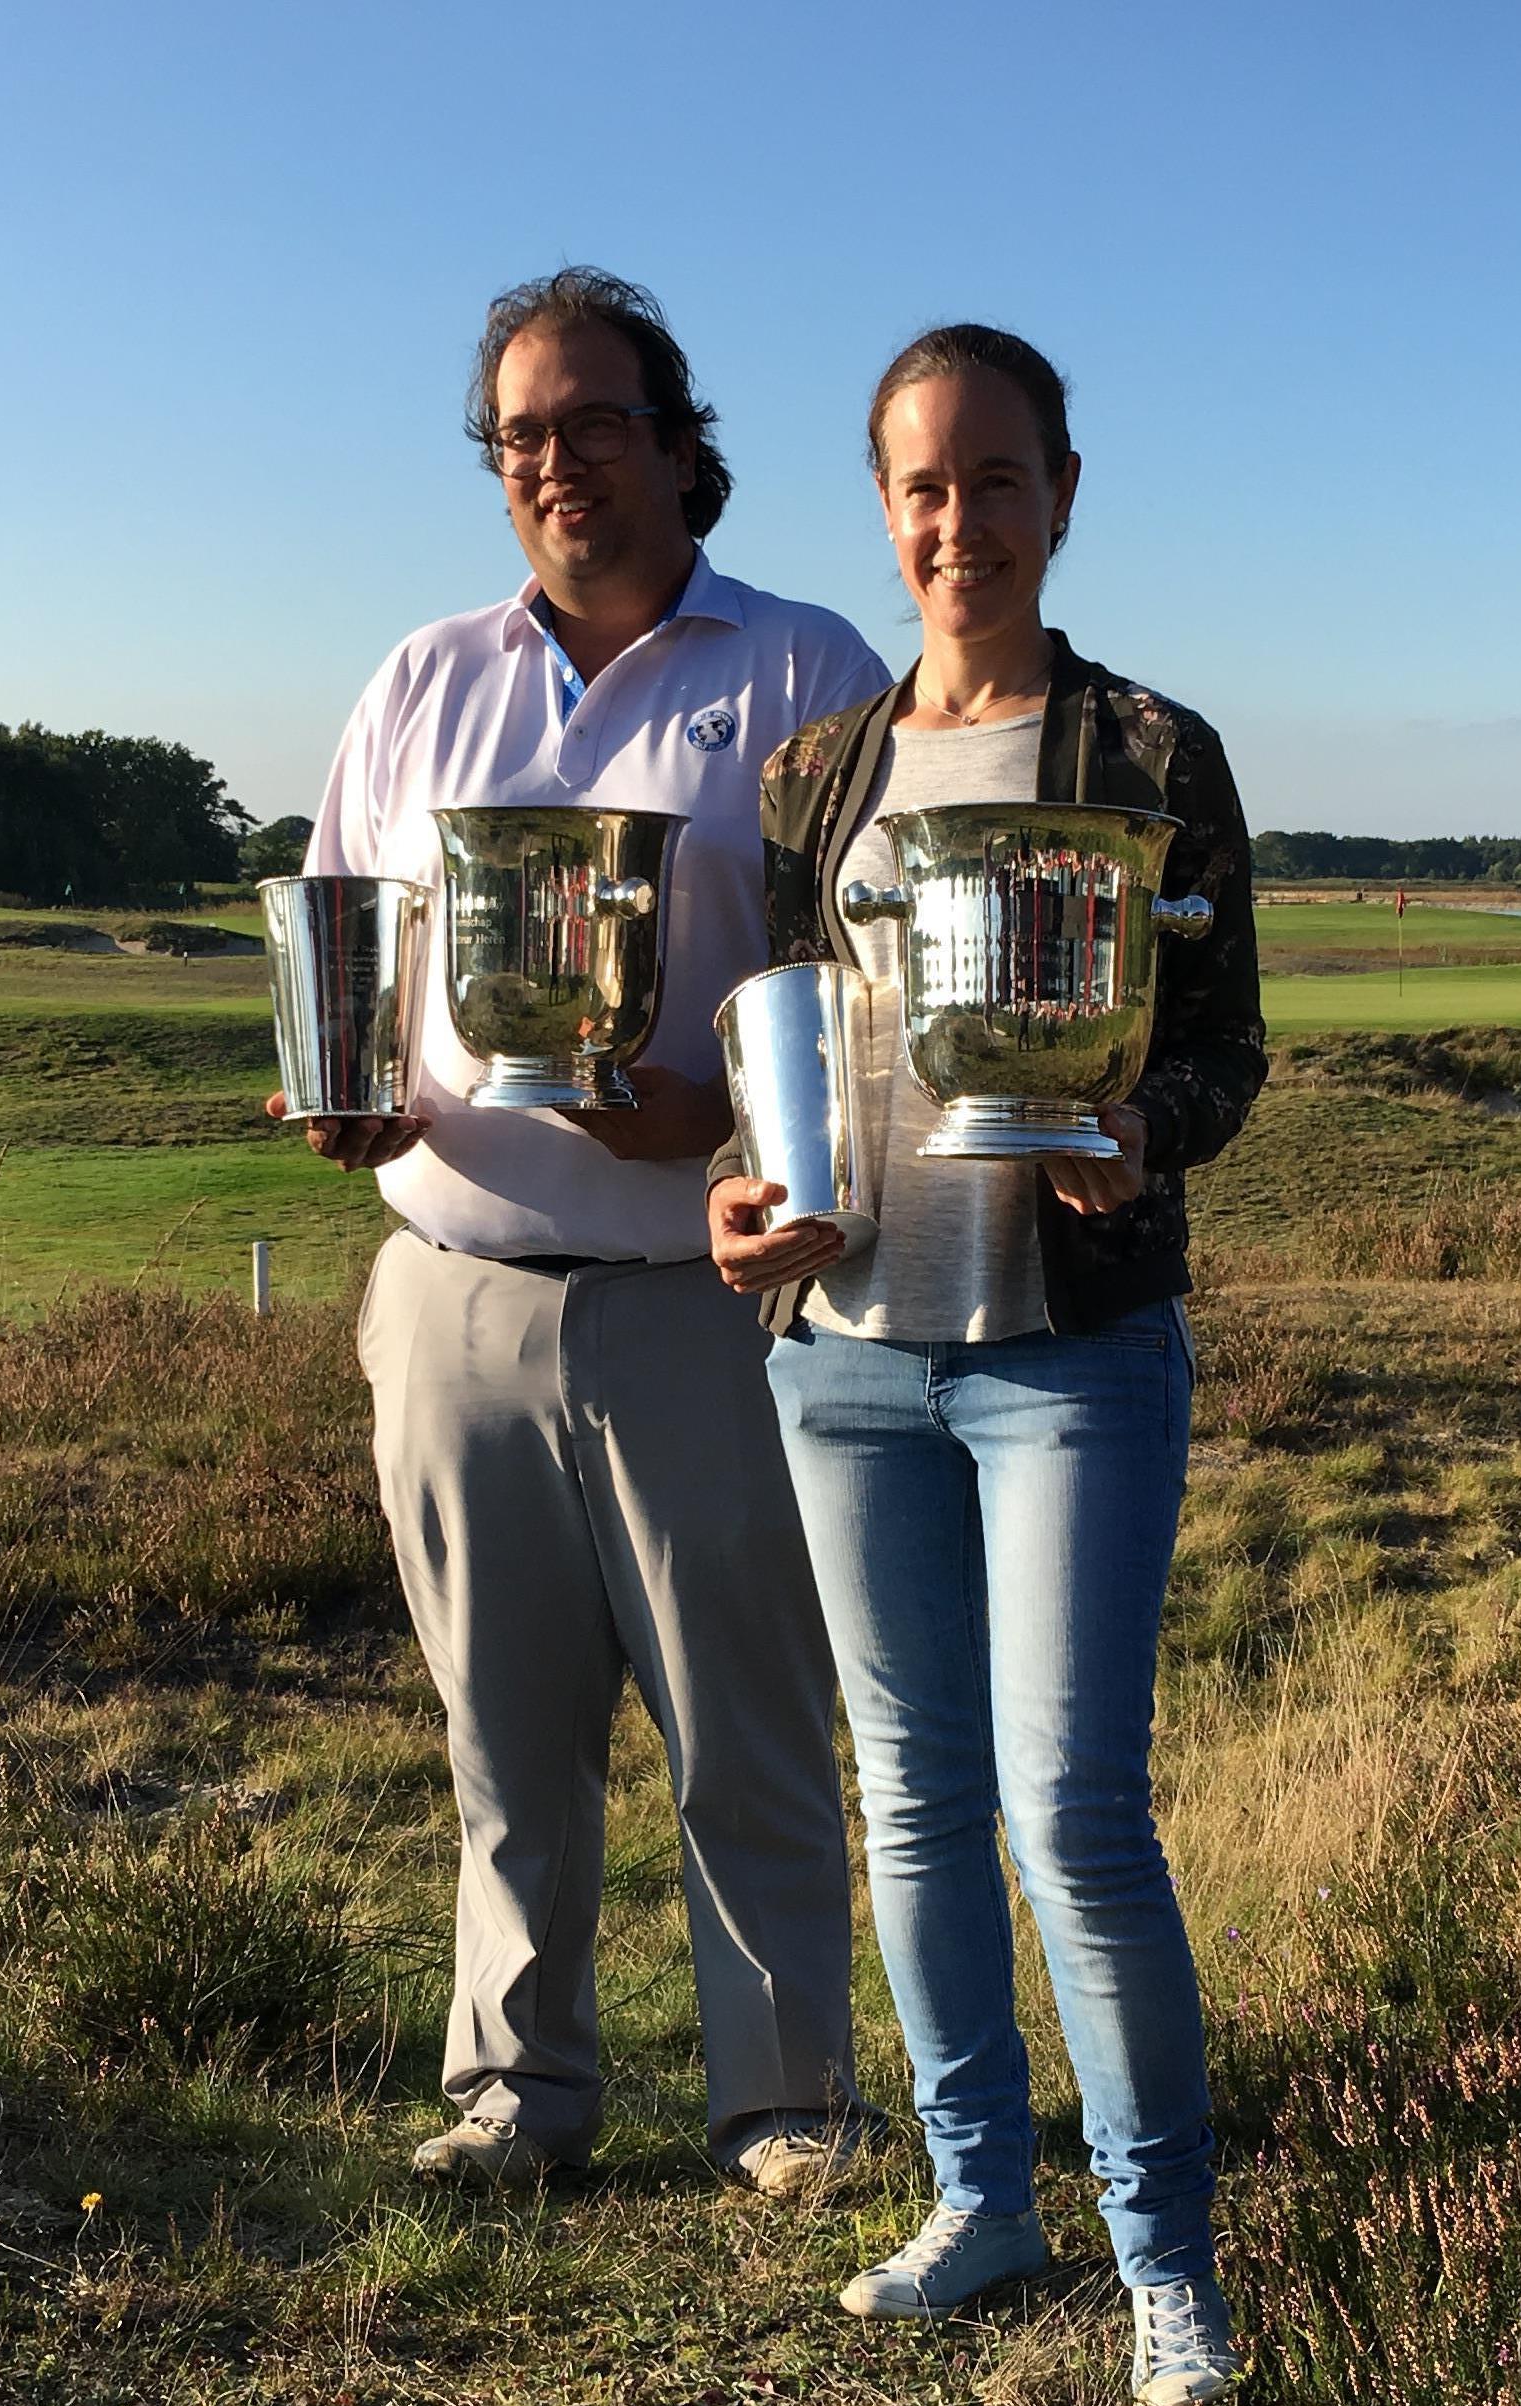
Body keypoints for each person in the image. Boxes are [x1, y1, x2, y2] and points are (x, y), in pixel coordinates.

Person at [280, 269, 891, 2196]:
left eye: (594, 422)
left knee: (748, 1725)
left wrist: (715, 1111)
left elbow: (867, 990)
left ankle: (786, 2102)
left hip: (703, 1299)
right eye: (522, 434)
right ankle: (518, 2094)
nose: (556, 462)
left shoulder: (802, 669)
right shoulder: (421, 676)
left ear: (679, 442)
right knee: (501, 1734)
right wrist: (345, 1087)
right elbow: (345, 932)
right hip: (449, 1289)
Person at [709, 324, 1263, 2406]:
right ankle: (978, 2196)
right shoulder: (814, 776)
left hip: (1068, 1350)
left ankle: (1166, 2267)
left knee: (1074, 1817)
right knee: (920, 1808)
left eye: (998, 478)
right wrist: (739, 1213)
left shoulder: (1149, 752)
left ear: (1064, 492)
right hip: (844, 1354)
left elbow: (1228, 1054)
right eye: (924, 487)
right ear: (885, 508)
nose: (961, 521)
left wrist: (1154, 1133)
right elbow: (781, 1057)